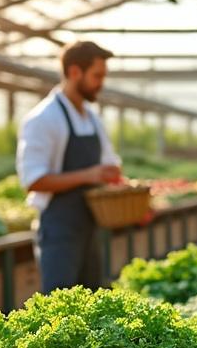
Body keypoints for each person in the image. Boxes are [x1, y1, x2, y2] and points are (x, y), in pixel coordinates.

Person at [17, 40, 123, 292]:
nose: (101, 83)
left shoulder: (92, 118)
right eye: (97, 76)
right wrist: (89, 175)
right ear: (75, 72)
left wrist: (113, 175)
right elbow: (33, 180)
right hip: (59, 230)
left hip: (91, 226)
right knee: (60, 303)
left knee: (93, 299)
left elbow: (109, 162)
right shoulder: (44, 118)